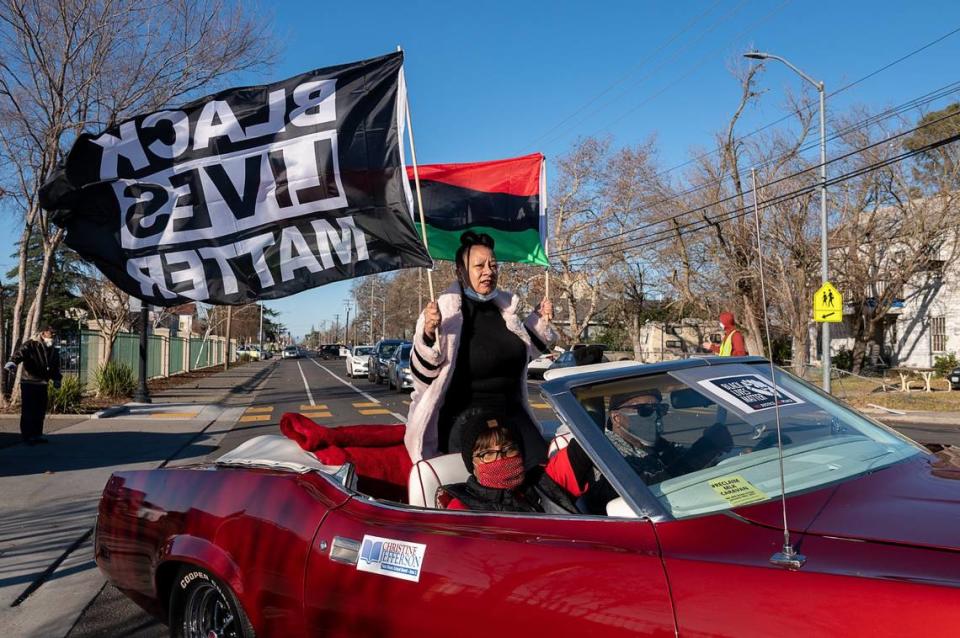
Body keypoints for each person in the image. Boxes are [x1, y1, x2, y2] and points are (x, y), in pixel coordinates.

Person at [404, 231, 557, 463]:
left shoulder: (506, 311)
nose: (488, 271)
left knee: (543, 471)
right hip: (465, 420)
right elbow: (421, 375)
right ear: (460, 271)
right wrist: (427, 333)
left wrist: (539, 319)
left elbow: (523, 354)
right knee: (493, 480)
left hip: (513, 415)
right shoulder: (444, 314)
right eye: (479, 265)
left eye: (493, 265)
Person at [440, 408, 596, 513]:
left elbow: (587, 445)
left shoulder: (543, 481)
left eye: (508, 449)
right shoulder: (462, 507)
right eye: (487, 454)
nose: (500, 458)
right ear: (472, 463)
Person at [5, 326, 62, 446]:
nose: (53, 335)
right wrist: (12, 362)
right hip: (29, 382)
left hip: (43, 383)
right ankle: (27, 436)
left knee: (40, 411)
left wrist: (57, 379)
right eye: (51, 333)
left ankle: (37, 434)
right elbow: (20, 354)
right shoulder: (31, 345)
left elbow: (55, 367)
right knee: (28, 411)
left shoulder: (52, 349)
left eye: (54, 333)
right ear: (43, 333)